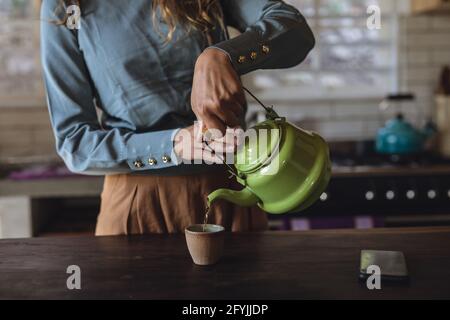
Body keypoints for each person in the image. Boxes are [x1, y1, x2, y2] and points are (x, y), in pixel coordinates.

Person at [40, 0, 315, 235]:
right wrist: (173, 145)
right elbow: (74, 144)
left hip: (230, 194)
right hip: (137, 208)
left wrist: (222, 56)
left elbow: (295, 29)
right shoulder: (66, 8)